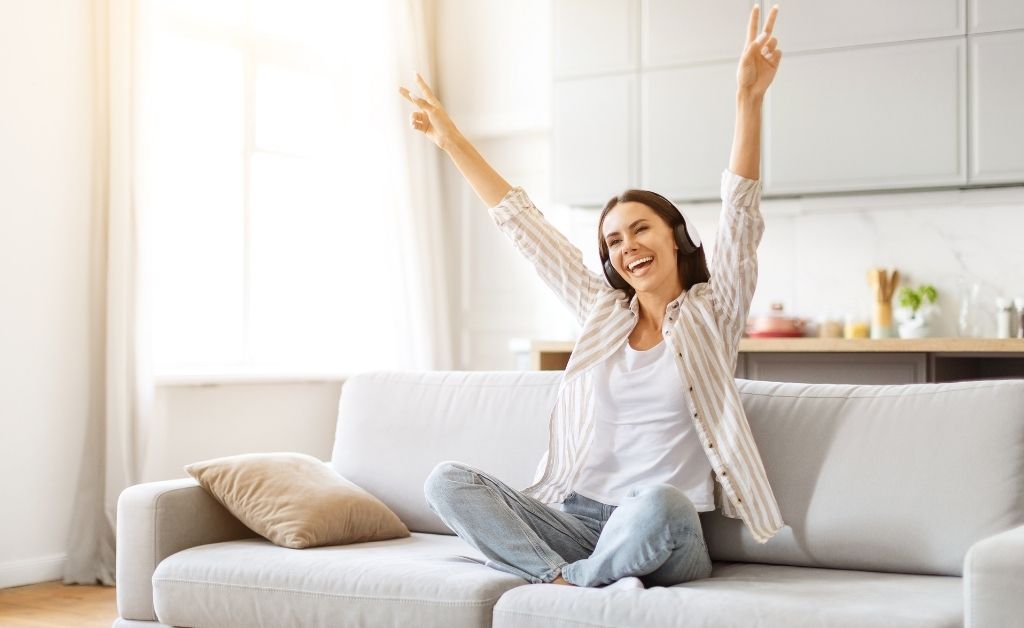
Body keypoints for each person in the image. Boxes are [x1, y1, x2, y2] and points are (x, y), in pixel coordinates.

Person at [400, 5, 784, 589]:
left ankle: (573, 587)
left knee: (662, 503)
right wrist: (451, 140)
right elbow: (522, 225)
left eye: (640, 229)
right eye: (613, 240)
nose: (627, 246)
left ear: (677, 237)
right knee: (446, 481)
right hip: (577, 519)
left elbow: (741, 214)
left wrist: (747, 100)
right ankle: (565, 579)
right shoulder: (601, 313)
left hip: (661, 526)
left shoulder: (714, 310)